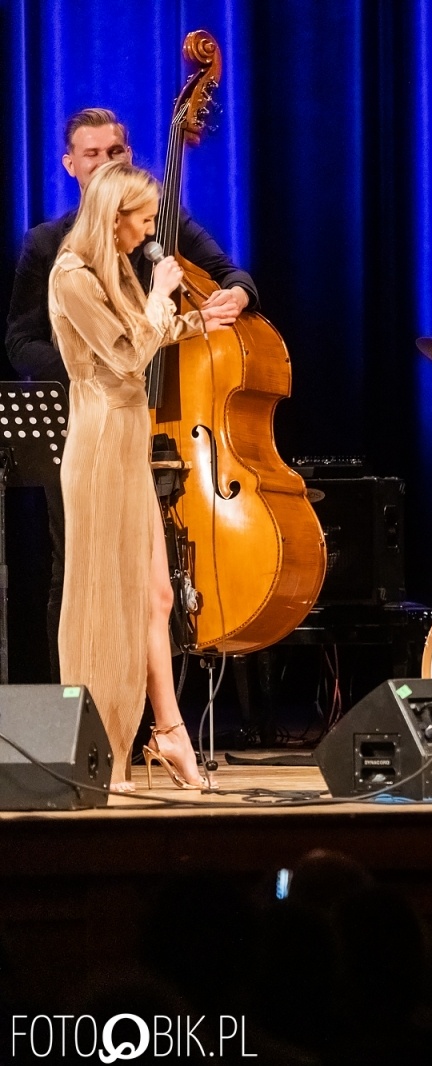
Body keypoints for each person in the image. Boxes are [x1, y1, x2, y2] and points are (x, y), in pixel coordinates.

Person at [5, 107, 256, 681]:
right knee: (77, 573)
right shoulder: (52, 250)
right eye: (89, 155)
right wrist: (88, 368)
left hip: (160, 421)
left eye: (113, 153)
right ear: (71, 166)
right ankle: (78, 711)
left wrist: (233, 299)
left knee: (154, 585)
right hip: (89, 424)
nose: (103, 164)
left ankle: (155, 720)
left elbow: (228, 274)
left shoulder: (154, 225)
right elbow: (24, 341)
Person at [48, 161, 239, 790]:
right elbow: (127, 352)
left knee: (145, 596)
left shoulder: (111, 270)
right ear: (114, 217)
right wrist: (160, 296)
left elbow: (144, 338)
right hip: (101, 440)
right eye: (144, 216)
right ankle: (101, 754)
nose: (151, 228)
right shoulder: (72, 275)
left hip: (128, 438)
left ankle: (145, 742)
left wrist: (194, 321)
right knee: (103, 602)